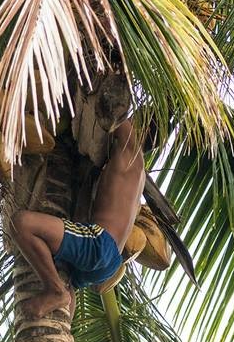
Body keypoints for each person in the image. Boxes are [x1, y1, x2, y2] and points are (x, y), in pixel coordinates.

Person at [11, 119, 145, 318]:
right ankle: (65, 335)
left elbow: (116, 115)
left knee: (21, 223)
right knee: (69, 281)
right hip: (111, 261)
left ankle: (54, 290)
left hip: (99, 241)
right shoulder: (138, 177)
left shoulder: (129, 150)